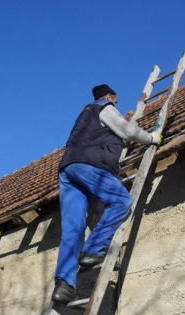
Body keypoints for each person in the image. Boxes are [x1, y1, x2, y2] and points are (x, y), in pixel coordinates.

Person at [52, 84, 162, 303]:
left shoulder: (83, 118)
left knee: (73, 228)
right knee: (121, 201)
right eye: (116, 101)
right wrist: (151, 138)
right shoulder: (104, 107)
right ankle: (93, 250)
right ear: (111, 97)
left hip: (68, 169)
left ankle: (64, 286)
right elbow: (127, 130)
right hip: (89, 165)